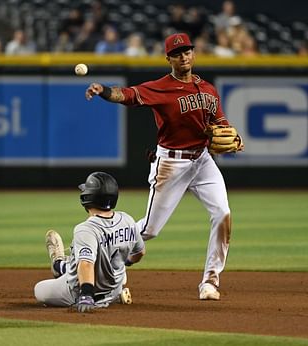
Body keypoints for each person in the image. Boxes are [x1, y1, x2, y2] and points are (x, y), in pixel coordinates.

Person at [85, 33, 243, 301]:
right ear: (168, 58)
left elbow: (220, 122)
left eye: (188, 51)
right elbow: (128, 95)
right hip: (171, 163)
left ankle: (210, 281)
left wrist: (231, 136)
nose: (184, 56)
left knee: (223, 214)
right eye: (178, 53)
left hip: (203, 160)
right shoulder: (161, 87)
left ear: (193, 54)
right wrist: (104, 91)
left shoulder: (208, 89)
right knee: (149, 230)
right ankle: (101, 251)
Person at [34, 172, 145, 312]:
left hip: (84, 292)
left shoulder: (86, 229)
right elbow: (140, 252)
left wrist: (86, 294)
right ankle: (62, 266)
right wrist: (126, 262)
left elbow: (86, 265)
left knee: (39, 289)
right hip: (114, 286)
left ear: (87, 197)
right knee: (116, 265)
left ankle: (60, 264)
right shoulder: (127, 219)